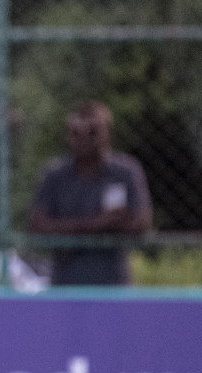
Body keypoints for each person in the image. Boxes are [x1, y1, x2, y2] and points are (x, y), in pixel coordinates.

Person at [28, 100, 152, 285]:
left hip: (112, 282)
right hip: (66, 283)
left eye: (92, 132)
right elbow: (38, 227)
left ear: (107, 134)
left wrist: (65, 230)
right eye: (76, 133)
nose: (84, 139)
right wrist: (101, 224)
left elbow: (140, 224)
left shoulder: (125, 172)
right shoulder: (55, 175)